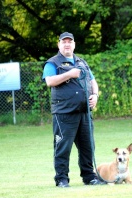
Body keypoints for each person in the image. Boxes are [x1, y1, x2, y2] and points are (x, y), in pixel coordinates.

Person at [42, 32, 106, 187]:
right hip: (64, 113)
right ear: (59, 45)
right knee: (63, 147)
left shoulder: (81, 62)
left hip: (84, 112)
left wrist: (95, 95)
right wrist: (70, 73)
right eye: (64, 42)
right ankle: (62, 179)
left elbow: (93, 81)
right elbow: (50, 82)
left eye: (70, 42)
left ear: (74, 44)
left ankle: (89, 177)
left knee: (88, 146)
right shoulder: (52, 63)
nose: (67, 44)